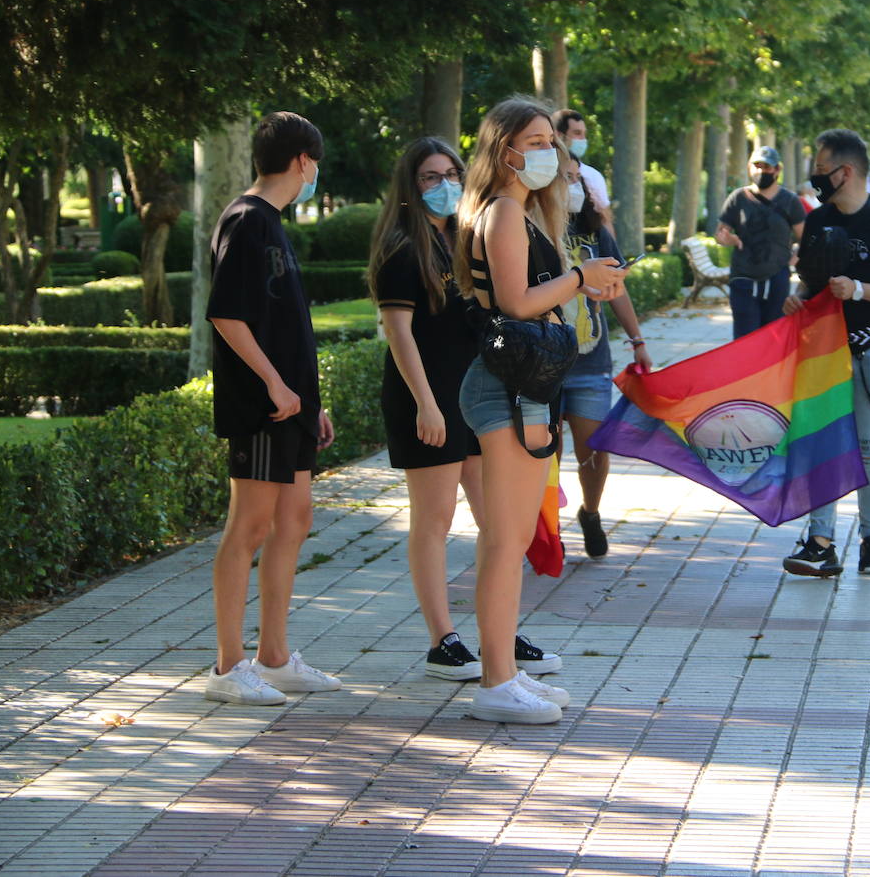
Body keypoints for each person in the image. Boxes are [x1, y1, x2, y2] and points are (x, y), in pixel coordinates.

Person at [454, 96, 626, 724]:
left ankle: (505, 673)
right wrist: (581, 278)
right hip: (506, 384)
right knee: (504, 540)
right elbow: (516, 302)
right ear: (505, 151)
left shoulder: (517, 211)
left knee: (514, 536)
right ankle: (496, 683)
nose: (549, 150)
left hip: (524, 384)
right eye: (535, 139)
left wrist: (584, 277)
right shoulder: (502, 212)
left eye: (551, 137)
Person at [203, 112, 341, 704]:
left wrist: (311, 401)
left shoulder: (272, 225)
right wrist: (276, 387)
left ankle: (275, 656)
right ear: (303, 161)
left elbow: (283, 323)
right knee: (250, 527)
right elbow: (226, 314)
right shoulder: (246, 220)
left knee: (295, 519)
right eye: (317, 163)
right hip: (263, 410)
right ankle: (228, 668)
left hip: (293, 410)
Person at [368, 137, 487, 681]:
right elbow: (399, 333)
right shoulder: (402, 248)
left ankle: (500, 630)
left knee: (497, 522)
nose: (444, 186)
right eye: (430, 178)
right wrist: (427, 405)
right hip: (428, 402)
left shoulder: (468, 241)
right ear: (411, 189)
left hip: (477, 401)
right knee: (435, 521)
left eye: (451, 174)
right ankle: (443, 640)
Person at [781, 129, 870, 577]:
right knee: (821, 444)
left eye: (822, 170)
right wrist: (798, 297)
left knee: (868, 448)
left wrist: (859, 289)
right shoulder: (819, 221)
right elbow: (811, 279)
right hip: (823, 351)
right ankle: (820, 541)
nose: (816, 178)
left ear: (846, 172)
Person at [561, 153, 653, 557]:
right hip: (536, 364)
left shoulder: (595, 231)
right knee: (537, 458)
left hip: (589, 361)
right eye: (562, 176)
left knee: (594, 450)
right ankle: (542, 530)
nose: (569, 183)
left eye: (574, 176)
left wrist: (637, 340)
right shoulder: (522, 227)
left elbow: (619, 286)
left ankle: (590, 512)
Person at [714, 145, 806, 338]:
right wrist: (728, 238)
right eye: (757, 166)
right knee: (745, 339)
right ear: (749, 167)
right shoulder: (738, 198)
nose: (761, 171)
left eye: (767, 166)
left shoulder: (790, 201)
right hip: (743, 278)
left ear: (777, 170)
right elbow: (720, 234)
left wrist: (791, 262)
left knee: (773, 337)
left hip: (776, 279)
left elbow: (806, 238)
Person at [553, 109, 612, 231]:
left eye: (584, 134)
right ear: (559, 135)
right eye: (577, 133)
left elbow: (605, 220)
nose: (583, 139)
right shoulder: (545, 172)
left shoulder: (593, 176)